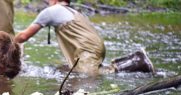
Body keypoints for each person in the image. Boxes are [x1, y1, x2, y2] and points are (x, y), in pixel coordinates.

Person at [15, 0, 154, 74]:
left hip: (88, 49)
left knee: (88, 75)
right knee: (71, 71)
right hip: (93, 46)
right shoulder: (71, 10)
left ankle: (137, 61)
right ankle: (133, 60)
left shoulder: (52, 11)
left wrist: (9, 43)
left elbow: (24, 36)